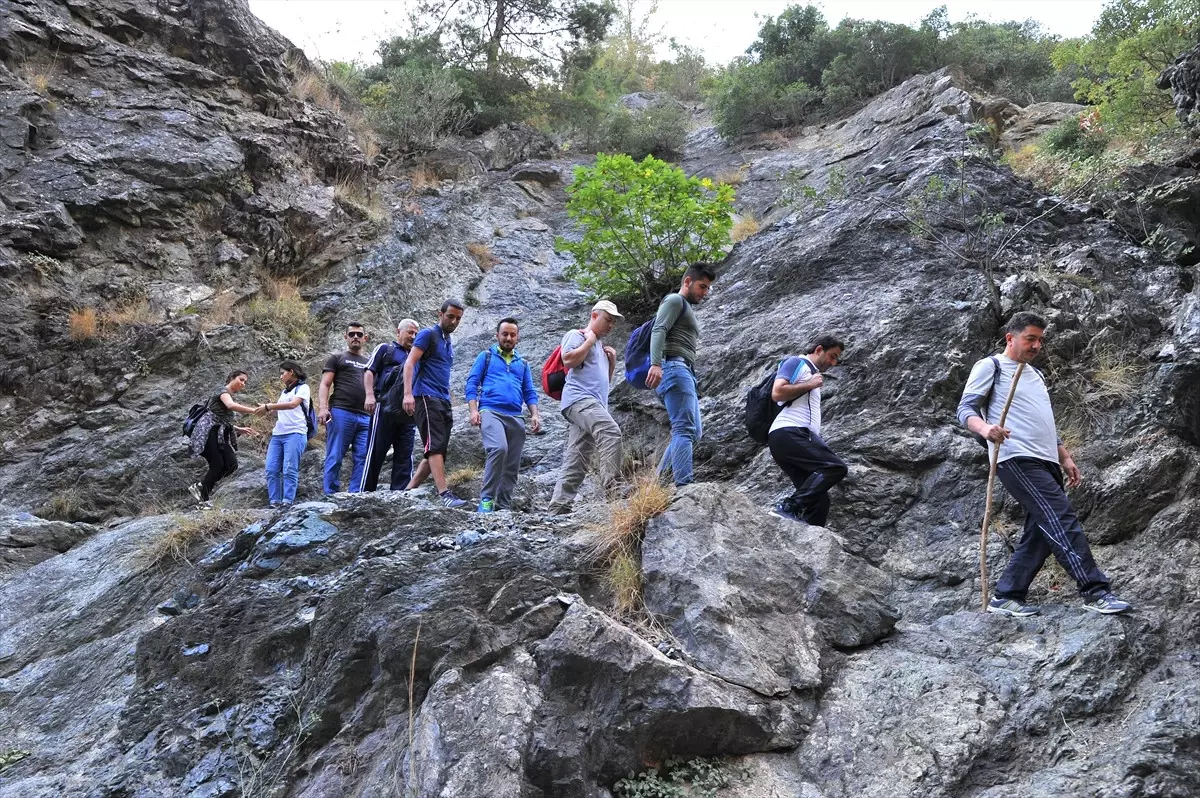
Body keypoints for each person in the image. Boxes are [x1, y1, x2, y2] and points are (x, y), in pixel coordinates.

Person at [958, 311, 1132, 616]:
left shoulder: (1035, 375)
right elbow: (965, 409)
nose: (1037, 345)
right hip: (1016, 457)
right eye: (1031, 338)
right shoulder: (992, 366)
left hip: (1046, 460)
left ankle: (1006, 595)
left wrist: (1063, 456)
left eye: (1040, 339)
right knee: (1060, 518)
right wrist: (987, 430)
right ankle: (1095, 591)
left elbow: (1044, 422)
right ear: (1010, 338)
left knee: (1042, 529)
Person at [547, 300, 623, 515]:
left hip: (592, 403)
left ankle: (557, 509)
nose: (610, 325)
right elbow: (568, 360)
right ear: (594, 315)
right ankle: (614, 489)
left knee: (577, 457)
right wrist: (589, 341)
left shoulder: (600, 347)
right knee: (610, 431)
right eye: (608, 319)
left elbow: (603, 384)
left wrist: (612, 362)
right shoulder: (577, 335)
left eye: (613, 322)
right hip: (578, 401)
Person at [644, 263, 716, 487]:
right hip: (674, 368)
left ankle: (657, 485)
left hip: (683, 371)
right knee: (685, 429)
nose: (704, 293)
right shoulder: (675, 300)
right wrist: (656, 363)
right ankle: (684, 486)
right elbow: (659, 329)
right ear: (687, 282)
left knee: (694, 432)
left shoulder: (685, 306)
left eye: (707, 289)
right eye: (702, 287)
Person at [767, 336, 848, 525]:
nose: (833, 363)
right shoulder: (797, 363)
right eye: (832, 356)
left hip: (789, 437)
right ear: (819, 349)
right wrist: (811, 384)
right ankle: (787, 507)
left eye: (836, 359)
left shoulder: (810, 372)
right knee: (835, 467)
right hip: (790, 432)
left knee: (819, 501)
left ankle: (806, 543)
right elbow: (777, 392)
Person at [465, 317, 542, 513]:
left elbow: (529, 391)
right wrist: (473, 410)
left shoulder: (522, 364)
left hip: (516, 416)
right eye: (505, 334)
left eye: (512, 335)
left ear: (517, 337)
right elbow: (472, 383)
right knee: (498, 449)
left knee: (512, 464)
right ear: (497, 335)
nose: (508, 338)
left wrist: (535, 414)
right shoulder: (486, 356)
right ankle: (486, 500)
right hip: (490, 411)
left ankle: (504, 505)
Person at [403, 300, 469, 508]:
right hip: (425, 396)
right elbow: (410, 363)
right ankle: (444, 494)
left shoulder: (447, 341)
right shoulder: (427, 334)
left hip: (442, 399)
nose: (454, 321)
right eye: (450, 316)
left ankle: (408, 491)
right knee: (435, 447)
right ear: (439, 314)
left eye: (458, 318)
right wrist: (408, 394)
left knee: (436, 448)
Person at [358, 319, 419, 492]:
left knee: (405, 454)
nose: (413, 337)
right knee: (375, 452)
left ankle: (400, 495)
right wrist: (369, 395)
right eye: (410, 332)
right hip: (383, 406)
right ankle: (365, 493)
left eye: (416, 334)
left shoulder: (417, 355)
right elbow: (369, 371)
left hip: (407, 412)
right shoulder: (385, 349)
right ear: (398, 332)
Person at [187, 370, 263, 509]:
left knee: (231, 464)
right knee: (217, 465)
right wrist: (254, 410)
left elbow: (219, 416)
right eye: (241, 379)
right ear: (231, 378)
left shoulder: (227, 394)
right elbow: (230, 406)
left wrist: (238, 429)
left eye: (245, 382)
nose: (243, 384)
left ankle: (202, 486)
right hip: (208, 432)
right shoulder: (222, 391)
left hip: (218, 433)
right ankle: (203, 500)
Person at [319, 322, 371, 494]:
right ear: (345, 337)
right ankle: (330, 494)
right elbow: (325, 384)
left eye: (359, 334)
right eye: (351, 334)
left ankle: (356, 493)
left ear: (365, 338)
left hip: (366, 416)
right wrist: (323, 408)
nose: (355, 337)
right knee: (335, 455)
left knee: (363, 457)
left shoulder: (370, 362)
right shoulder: (337, 358)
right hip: (341, 412)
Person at [262, 361, 311, 508]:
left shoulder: (303, 388)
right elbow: (281, 410)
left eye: (282, 373)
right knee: (271, 469)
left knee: (289, 468)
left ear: (291, 372)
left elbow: (293, 405)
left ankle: (287, 502)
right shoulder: (284, 392)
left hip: (295, 433)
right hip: (278, 434)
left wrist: (269, 406)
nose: (281, 376)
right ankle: (274, 502)